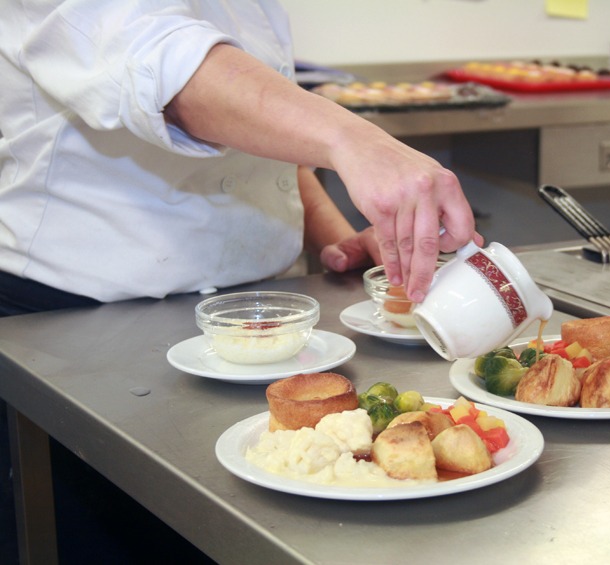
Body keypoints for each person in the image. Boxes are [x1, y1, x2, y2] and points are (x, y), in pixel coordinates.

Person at [0, 2, 481, 561]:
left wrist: (338, 236)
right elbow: (170, 70)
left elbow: (256, 135)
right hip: (77, 331)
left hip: (264, 322)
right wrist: (356, 140)